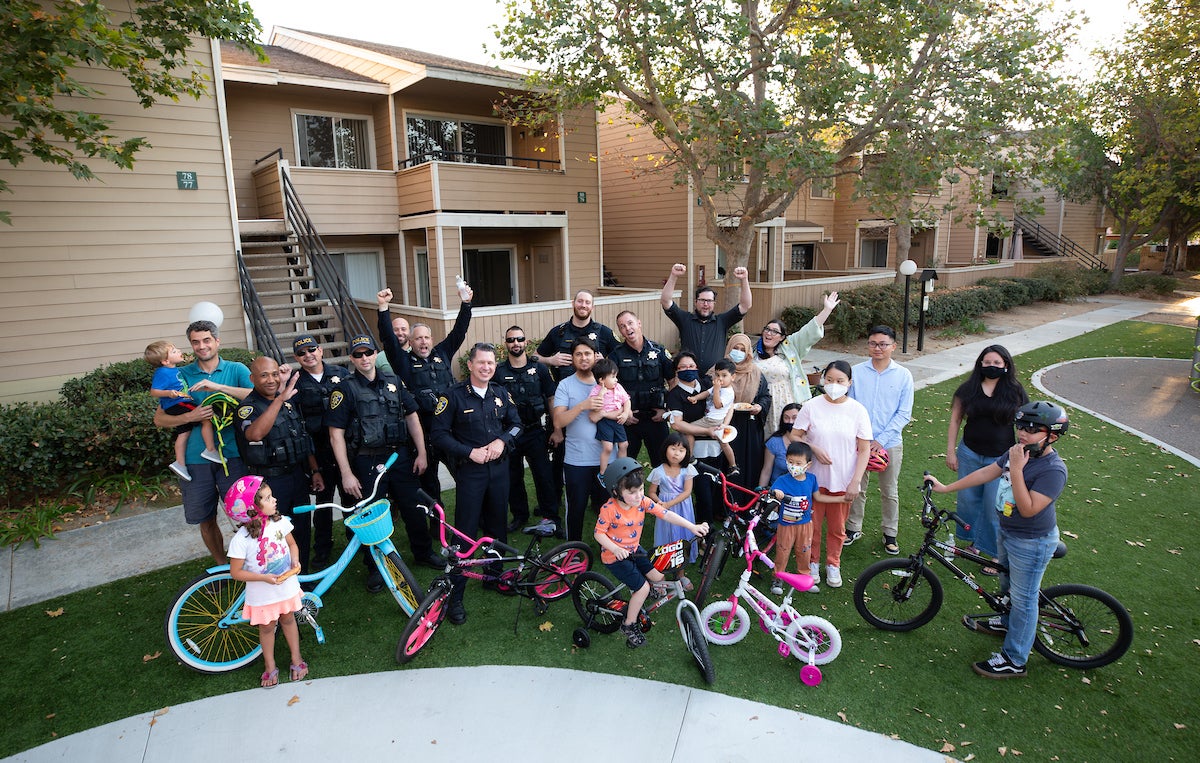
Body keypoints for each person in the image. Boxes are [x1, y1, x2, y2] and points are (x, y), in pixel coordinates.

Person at [927, 401, 1070, 679]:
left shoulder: (1053, 470)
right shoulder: (1017, 452)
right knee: (1006, 584)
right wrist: (947, 488)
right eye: (1021, 426)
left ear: (1052, 435)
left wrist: (1016, 469)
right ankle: (1007, 621)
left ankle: (1015, 660)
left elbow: (1028, 509)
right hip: (1007, 532)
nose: (1023, 433)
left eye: (1032, 428)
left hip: (1031, 540)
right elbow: (987, 472)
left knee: (1024, 598)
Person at [326, 334, 441, 591]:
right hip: (366, 460)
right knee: (371, 516)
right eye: (358, 354)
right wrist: (346, 473)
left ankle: (423, 552)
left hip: (399, 456)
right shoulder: (345, 389)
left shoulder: (393, 380)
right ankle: (376, 567)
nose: (364, 358)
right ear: (352, 358)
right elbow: (336, 434)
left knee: (413, 507)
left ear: (376, 354)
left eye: (368, 353)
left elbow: (412, 417)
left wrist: (422, 453)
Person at [430, 342, 523, 625]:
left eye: (491, 363)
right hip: (470, 472)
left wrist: (502, 441)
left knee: (497, 526)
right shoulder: (453, 396)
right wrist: (468, 452)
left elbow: (517, 424)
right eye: (481, 362)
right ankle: (455, 597)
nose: (486, 367)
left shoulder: (501, 393)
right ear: (469, 365)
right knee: (465, 533)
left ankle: (495, 577)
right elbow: (438, 435)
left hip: (499, 470)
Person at [152, 319, 252, 566]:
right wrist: (190, 416)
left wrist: (217, 386)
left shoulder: (236, 369)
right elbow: (159, 419)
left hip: (232, 455)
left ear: (217, 341)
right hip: (196, 460)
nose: (201, 346)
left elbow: (256, 395)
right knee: (205, 518)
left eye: (206, 340)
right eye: (195, 342)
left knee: (245, 515)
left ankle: (250, 564)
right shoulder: (181, 374)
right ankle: (222, 566)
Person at [594, 457, 709, 648]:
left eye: (640, 490)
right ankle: (628, 625)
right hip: (614, 557)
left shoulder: (641, 502)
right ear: (616, 492)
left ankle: (639, 592)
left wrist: (691, 526)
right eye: (632, 492)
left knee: (658, 575)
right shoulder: (609, 509)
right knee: (643, 589)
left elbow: (665, 513)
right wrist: (615, 548)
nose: (639, 495)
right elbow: (598, 534)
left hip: (634, 549)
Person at [377, 286, 472, 508]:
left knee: (466, 478)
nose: (423, 342)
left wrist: (466, 304)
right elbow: (389, 341)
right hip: (423, 435)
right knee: (430, 487)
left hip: (451, 432)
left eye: (427, 337)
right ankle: (435, 529)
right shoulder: (403, 362)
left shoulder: (443, 353)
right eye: (418, 338)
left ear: (432, 339)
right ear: (410, 341)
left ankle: (475, 520)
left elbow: (459, 330)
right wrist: (383, 308)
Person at [232, 357, 323, 574]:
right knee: (273, 534)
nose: (271, 379)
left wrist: (315, 470)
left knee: (299, 529)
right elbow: (254, 433)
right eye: (264, 375)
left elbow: (301, 437)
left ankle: (303, 579)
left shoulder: (289, 403)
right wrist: (280, 399)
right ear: (252, 378)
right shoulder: (248, 408)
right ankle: (278, 580)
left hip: (296, 476)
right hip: (269, 483)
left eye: (274, 374)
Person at [945, 345, 1030, 571]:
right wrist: (951, 451)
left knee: (995, 507)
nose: (991, 367)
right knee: (969, 502)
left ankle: (995, 554)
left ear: (1006, 366)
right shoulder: (967, 389)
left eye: (997, 363)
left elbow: (1026, 423)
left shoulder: (1015, 391)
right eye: (987, 362)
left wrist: (1022, 453)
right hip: (970, 453)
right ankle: (974, 543)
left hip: (1001, 458)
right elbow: (955, 420)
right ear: (980, 364)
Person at [793, 360, 871, 589]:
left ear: (849, 383)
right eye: (829, 380)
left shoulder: (857, 410)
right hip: (813, 479)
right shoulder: (811, 406)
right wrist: (813, 448)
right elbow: (795, 436)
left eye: (839, 381)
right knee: (812, 525)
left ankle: (833, 563)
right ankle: (813, 561)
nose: (834, 385)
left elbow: (864, 448)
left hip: (843, 479)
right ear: (823, 379)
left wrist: (855, 481)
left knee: (838, 528)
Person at [223, 476, 306, 689]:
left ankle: (296, 658)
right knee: (267, 628)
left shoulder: (280, 522)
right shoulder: (241, 540)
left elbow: (292, 545)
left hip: (285, 587)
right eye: (268, 498)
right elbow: (236, 572)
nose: (274, 500)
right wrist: (263, 578)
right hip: (263, 594)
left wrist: (295, 559)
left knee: (289, 620)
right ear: (252, 509)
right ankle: (270, 666)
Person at [846, 326, 914, 556]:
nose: (878, 348)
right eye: (873, 343)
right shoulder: (856, 372)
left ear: (893, 347)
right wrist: (863, 439)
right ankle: (853, 527)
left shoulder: (903, 375)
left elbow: (904, 413)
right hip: (860, 442)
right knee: (857, 486)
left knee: (889, 490)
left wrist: (881, 440)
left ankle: (890, 533)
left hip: (890, 442)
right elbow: (851, 407)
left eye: (883, 344)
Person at [495, 325, 562, 533]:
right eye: (511, 340)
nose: (515, 343)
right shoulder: (499, 372)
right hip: (510, 434)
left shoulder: (540, 369)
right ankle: (519, 515)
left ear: (526, 342)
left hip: (535, 431)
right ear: (506, 344)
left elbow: (551, 398)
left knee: (544, 475)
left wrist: (557, 429)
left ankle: (550, 516)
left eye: (519, 339)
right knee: (514, 477)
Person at [291, 334, 347, 568]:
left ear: (321, 350)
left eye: (312, 349)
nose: (308, 355)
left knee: (351, 500)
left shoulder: (342, 374)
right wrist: (313, 468)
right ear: (297, 358)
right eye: (302, 353)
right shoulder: (295, 383)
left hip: (345, 450)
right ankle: (322, 550)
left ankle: (359, 545)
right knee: (323, 505)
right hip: (318, 453)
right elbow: (299, 428)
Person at [551, 337, 610, 541]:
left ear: (596, 356)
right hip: (578, 461)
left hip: (606, 461)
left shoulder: (609, 382)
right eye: (578, 354)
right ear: (573, 358)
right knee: (575, 508)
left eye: (587, 353)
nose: (583, 358)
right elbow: (558, 422)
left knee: (608, 509)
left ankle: (608, 547)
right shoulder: (565, 385)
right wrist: (582, 406)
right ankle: (574, 548)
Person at [753, 291, 839, 428]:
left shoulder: (790, 347)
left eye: (774, 331)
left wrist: (827, 310)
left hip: (788, 402)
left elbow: (809, 331)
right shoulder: (753, 353)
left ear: (782, 337)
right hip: (763, 403)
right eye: (767, 329)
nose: (769, 333)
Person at [144, 340, 220, 481]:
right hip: (178, 403)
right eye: (173, 351)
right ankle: (210, 450)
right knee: (206, 417)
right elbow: (154, 391)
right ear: (165, 361)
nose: (179, 351)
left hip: (179, 402)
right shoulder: (162, 372)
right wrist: (168, 393)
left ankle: (180, 464)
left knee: (184, 433)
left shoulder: (173, 370)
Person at [769, 441, 836, 595]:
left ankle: (804, 577)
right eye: (790, 462)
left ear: (808, 464)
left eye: (798, 463)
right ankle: (777, 578)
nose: (794, 466)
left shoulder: (811, 479)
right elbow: (774, 492)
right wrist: (777, 493)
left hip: (805, 525)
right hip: (786, 525)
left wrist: (839, 499)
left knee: (804, 551)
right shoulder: (782, 480)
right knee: (782, 551)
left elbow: (818, 497)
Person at [609, 310, 674, 467]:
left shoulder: (658, 351)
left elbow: (673, 381)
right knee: (624, 466)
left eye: (630, 323)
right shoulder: (615, 355)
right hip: (629, 420)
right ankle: (626, 492)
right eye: (622, 326)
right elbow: (609, 387)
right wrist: (623, 413)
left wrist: (667, 410)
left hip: (656, 419)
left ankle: (660, 492)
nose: (627, 328)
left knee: (664, 465)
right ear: (620, 331)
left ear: (639, 323)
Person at [660, 263, 752, 373]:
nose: (705, 304)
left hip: (714, 379)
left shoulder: (722, 322)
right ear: (695, 302)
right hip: (689, 378)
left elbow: (745, 305)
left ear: (714, 304)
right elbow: (666, 301)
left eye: (709, 301)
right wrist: (673, 275)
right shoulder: (685, 320)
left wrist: (744, 280)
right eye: (702, 300)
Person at [665, 351, 721, 525]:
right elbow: (678, 425)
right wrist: (705, 431)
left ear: (697, 367)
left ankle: (716, 515)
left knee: (716, 484)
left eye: (691, 366)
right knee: (702, 490)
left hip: (717, 444)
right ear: (676, 371)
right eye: (682, 367)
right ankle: (706, 528)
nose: (687, 369)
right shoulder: (674, 395)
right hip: (694, 448)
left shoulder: (706, 385)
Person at [721, 333, 771, 489]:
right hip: (724, 424)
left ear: (748, 351)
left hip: (749, 426)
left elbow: (765, 396)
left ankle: (747, 503)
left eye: (742, 349)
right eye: (735, 348)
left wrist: (759, 407)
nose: (738, 352)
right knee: (725, 464)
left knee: (749, 464)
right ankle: (724, 506)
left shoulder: (756, 373)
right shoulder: (719, 369)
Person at [670, 359, 738, 473]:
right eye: (717, 375)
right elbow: (707, 393)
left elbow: (717, 404)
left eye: (724, 375)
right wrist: (696, 398)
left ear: (733, 377)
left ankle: (689, 457)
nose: (720, 378)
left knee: (688, 430)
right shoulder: (719, 387)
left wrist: (716, 389)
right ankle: (733, 466)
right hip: (716, 421)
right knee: (724, 443)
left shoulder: (727, 392)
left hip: (712, 420)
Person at [536, 289, 618, 382]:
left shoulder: (605, 332)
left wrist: (605, 363)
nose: (583, 305)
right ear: (573, 304)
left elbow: (621, 359)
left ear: (592, 307)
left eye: (587, 302)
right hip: (565, 393)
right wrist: (550, 360)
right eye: (580, 301)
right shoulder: (557, 332)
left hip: (597, 392)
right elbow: (535, 357)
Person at [647, 432, 700, 567]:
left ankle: (682, 569)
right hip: (664, 507)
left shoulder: (688, 469)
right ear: (665, 449)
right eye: (673, 449)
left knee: (683, 534)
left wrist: (668, 504)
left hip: (682, 507)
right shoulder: (658, 471)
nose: (676, 453)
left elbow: (687, 492)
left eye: (681, 450)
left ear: (686, 453)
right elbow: (652, 492)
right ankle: (664, 563)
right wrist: (659, 502)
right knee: (667, 534)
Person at [588, 358, 632, 475]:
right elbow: (595, 409)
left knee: (624, 444)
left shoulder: (618, 387)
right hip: (604, 422)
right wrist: (601, 394)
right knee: (608, 447)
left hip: (618, 420)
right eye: (613, 377)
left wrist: (626, 413)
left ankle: (622, 470)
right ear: (601, 380)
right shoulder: (596, 391)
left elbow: (627, 401)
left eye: (616, 376)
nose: (616, 380)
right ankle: (602, 472)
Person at [758, 403, 803, 488]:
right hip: (778, 491)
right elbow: (766, 471)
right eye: (786, 418)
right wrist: (760, 494)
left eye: (794, 418)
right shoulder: (774, 442)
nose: (790, 422)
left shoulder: (810, 441)